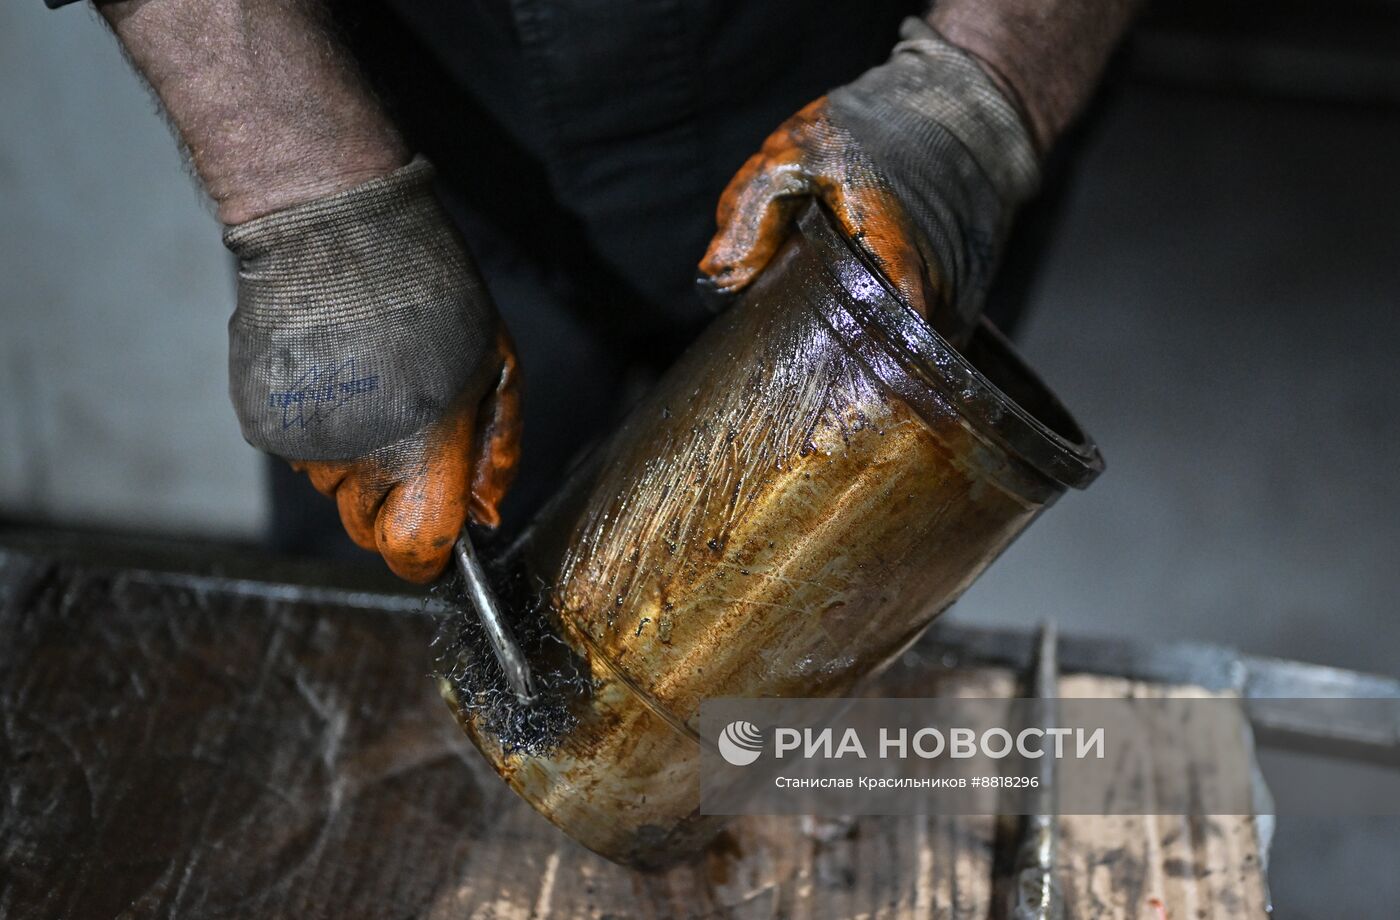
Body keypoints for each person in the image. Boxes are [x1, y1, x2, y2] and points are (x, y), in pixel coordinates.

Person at [50, 0, 1138, 583]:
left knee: (796, 646)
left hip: (879, 138)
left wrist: (979, 96)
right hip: (410, 135)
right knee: (383, 642)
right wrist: (314, 212)